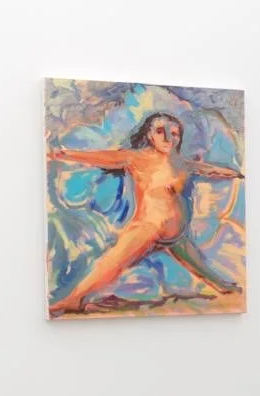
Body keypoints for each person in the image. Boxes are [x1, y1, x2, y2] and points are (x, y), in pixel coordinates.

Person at [47, 112, 243, 315]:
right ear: (149, 135)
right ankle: (73, 299)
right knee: (110, 264)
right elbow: (101, 157)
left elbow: (205, 169)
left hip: (175, 235)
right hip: (148, 228)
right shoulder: (136, 158)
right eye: (160, 131)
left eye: (174, 133)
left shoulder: (179, 162)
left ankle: (223, 287)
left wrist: (232, 173)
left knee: (199, 266)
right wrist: (63, 155)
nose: (168, 138)